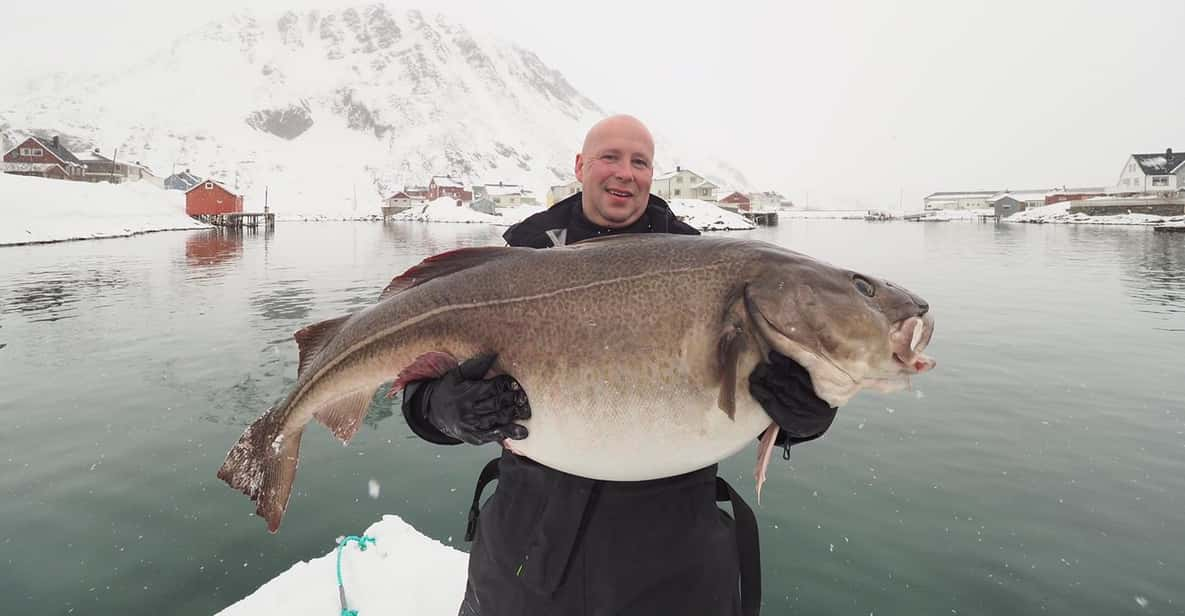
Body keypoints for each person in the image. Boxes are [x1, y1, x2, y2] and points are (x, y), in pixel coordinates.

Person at [402, 115, 838, 616]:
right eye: (610, 157)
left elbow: (762, 388)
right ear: (580, 166)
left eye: (640, 162)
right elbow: (417, 393)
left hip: (676, 566)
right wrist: (442, 408)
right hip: (528, 560)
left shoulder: (709, 269)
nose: (625, 173)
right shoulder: (513, 263)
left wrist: (802, 417)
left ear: (653, 175)